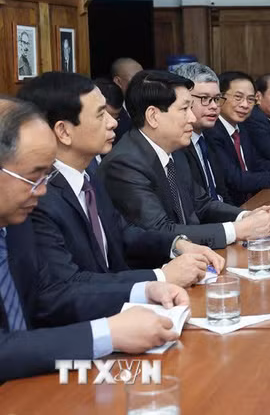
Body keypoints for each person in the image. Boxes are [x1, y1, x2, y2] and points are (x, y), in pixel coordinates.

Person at [0, 96, 191, 381]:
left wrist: (146, 290)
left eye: (46, 175)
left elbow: (51, 295)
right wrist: (107, 334)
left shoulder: (15, 221)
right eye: (34, 176)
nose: (41, 191)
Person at [18, 72, 222, 288]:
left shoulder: (89, 178)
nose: (113, 123)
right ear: (63, 131)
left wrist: (178, 244)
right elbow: (69, 285)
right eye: (100, 115)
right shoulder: (40, 197)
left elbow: (123, 233)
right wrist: (159, 278)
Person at [98, 70, 270, 249]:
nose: (192, 118)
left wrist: (245, 216)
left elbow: (201, 204)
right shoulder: (125, 163)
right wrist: (236, 230)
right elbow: (160, 230)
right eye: (185, 109)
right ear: (153, 116)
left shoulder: (174, 149)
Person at [205, 71, 270, 206]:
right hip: (232, 208)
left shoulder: (242, 127)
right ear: (219, 98)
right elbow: (236, 179)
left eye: (250, 99)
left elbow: (257, 164)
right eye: (238, 97)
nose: (245, 105)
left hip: (253, 202)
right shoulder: (212, 131)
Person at [171, 63, 234, 204]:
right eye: (204, 98)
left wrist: (241, 215)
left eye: (217, 99)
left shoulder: (211, 135)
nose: (213, 106)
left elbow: (222, 192)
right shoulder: (175, 145)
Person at [110, 57, 143, 145]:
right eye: (135, 79)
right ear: (118, 81)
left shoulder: (149, 106)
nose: (142, 84)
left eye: (143, 78)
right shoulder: (111, 111)